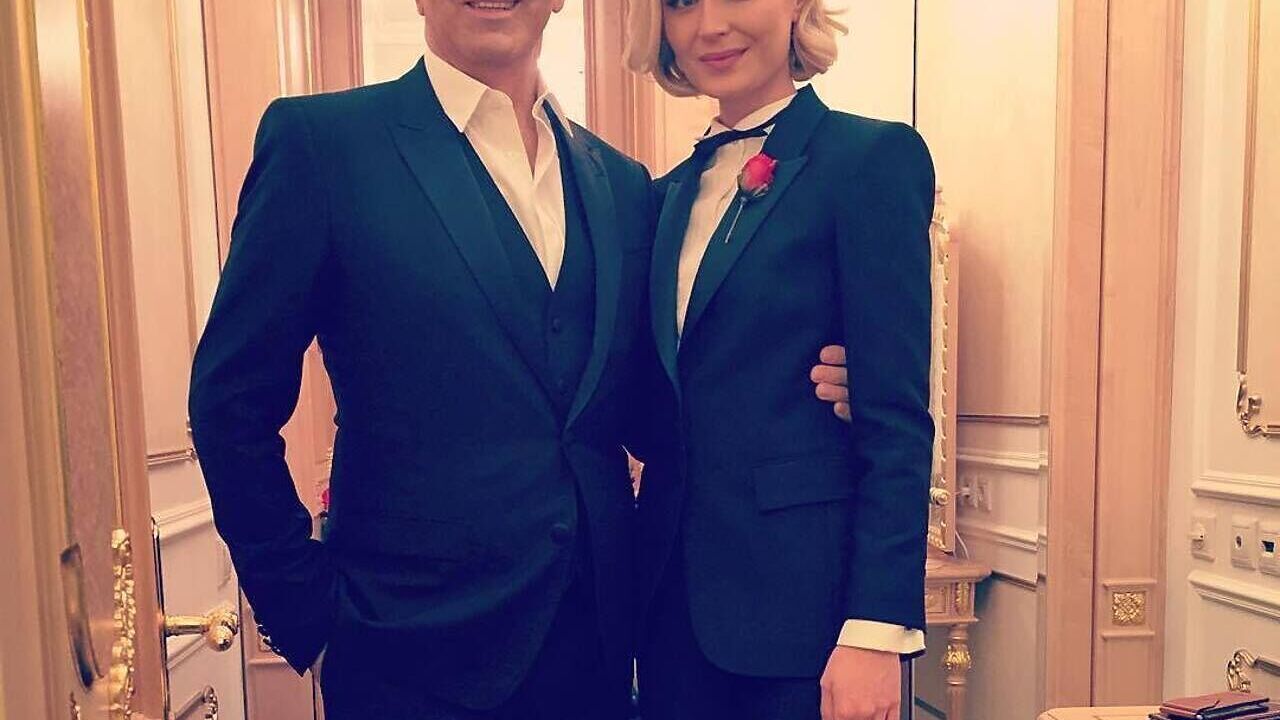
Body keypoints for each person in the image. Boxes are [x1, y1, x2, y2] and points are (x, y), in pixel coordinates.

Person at [189, 0, 846, 717]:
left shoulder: (622, 183)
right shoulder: (323, 146)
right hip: (404, 657)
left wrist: (813, 381)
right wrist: (309, 617)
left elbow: (652, 409)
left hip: (597, 655)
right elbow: (229, 405)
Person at [626, 1, 937, 719]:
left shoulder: (869, 160)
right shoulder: (658, 198)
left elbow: (897, 422)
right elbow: (651, 407)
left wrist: (875, 630)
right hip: (669, 619)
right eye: (681, 2)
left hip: (809, 626)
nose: (709, 25)